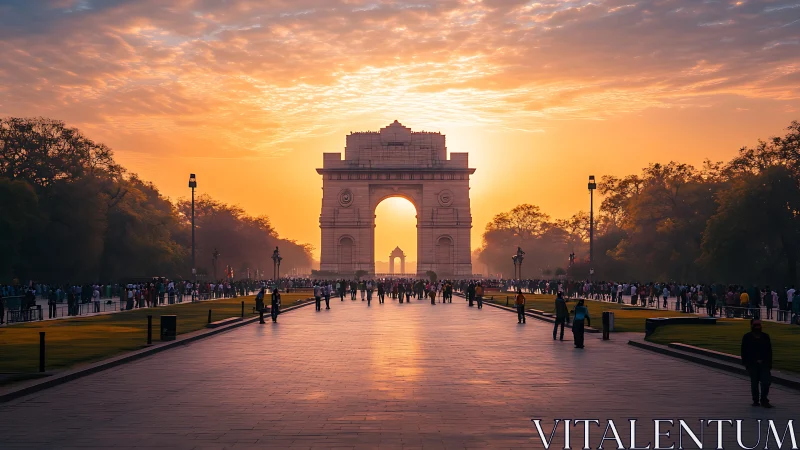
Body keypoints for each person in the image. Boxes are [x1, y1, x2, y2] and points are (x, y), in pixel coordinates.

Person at [741, 319, 773, 408]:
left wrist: (769, 363)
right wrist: (746, 363)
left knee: (766, 382)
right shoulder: (747, 337)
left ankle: (764, 399)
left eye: (759, 325)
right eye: (756, 325)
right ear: (752, 326)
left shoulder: (765, 336)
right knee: (754, 383)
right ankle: (755, 400)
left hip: (764, 363)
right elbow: (744, 351)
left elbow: (769, 351)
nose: (758, 327)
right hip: (752, 364)